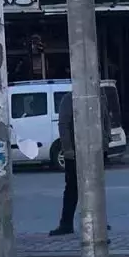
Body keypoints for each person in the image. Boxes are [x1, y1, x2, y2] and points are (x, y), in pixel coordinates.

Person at [50, 91, 110, 236]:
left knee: (95, 187)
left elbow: (105, 119)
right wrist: (68, 149)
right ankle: (66, 224)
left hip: (96, 149)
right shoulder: (69, 98)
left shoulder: (100, 97)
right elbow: (63, 124)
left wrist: (106, 139)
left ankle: (98, 221)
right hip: (76, 151)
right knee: (72, 188)